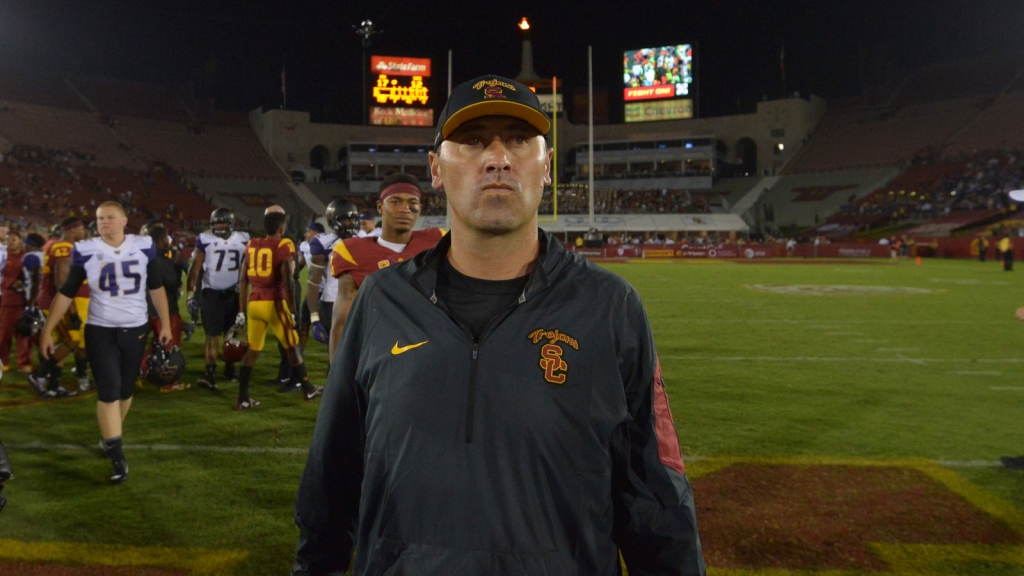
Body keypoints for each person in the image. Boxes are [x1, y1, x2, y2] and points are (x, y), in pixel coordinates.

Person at [294, 75, 704, 575]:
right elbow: (329, 486)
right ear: (436, 169)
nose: (497, 158)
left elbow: (656, 502)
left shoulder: (610, 308)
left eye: (517, 140)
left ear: (546, 166)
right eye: (471, 141)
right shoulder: (382, 301)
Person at [39, 201, 173, 484]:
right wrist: (48, 329)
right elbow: (66, 292)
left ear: (125, 220)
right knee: (109, 390)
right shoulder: (86, 250)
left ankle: (112, 436)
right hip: (100, 329)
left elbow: (156, 286)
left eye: (111, 217)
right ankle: (116, 455)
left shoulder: (143, 245)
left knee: (125, 390)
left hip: (135, 328)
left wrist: (166, 323)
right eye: (100, 218)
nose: (104, 222)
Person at [325, 173, 445, 359]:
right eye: (395, 201)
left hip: (432, 351)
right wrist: (338, 377)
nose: (405, 209)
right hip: (379, 353)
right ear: (380, 207)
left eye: (412, 203)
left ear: (419, 209)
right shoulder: (353, 252)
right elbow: (342, 322)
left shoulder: (437, 241)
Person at [234, 211, 323, 410]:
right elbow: (288, 282)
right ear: (281, 229)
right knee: (292, 346)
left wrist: (241, 311)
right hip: (275, 303)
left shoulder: (251, 244)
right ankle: (308, 389)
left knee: (253, 350)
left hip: (254, 304)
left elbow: (242, 280)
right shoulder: (284, 245)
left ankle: (243, 398)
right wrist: (292, 310)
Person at [187, 208, 249, 391]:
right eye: (217, 223)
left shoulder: (244, 238)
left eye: (223, 222)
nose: (220, 226)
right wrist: (192, 295)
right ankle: (210, 373)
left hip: (235, 293)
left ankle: (230, 369)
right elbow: (195, 269)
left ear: (230, 223)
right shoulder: (207, 239)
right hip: (212, 293)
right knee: (212, 336)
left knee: (232, 335)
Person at [31, 217, 91, 396]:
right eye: (81, 228)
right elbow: (63, 283)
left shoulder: (54, 245)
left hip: (51, 300)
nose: (84, 232)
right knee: (73, 340)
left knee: (61, 343)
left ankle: (53, 386)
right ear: (72, 230)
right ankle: (39, 375)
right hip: (60, 302)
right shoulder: (65, 247)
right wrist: (72, 311)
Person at [305, 201, 359, 369]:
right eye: (345, 220)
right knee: (337, 358)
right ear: (334, 221)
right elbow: (313, 282)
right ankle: (335, 393)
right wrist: (314, 317)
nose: (350, 224)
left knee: (360, 354)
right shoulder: (323, 242)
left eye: (352, 220)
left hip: (361, 300)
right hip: (333, 303)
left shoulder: (366, 240)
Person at [144, 224, 186, 392]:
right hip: (165, 310)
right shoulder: (162, 260)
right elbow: (172, 284)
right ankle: (167, 382)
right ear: (161, 239)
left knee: (154, 344)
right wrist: (176, 267)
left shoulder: (144, 256)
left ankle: (141, 371)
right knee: (169, 345)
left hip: (146, 309)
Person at [0, 228, 41, 374]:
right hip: (8, 299)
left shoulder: (27, 257)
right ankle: (2, 362)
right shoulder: (4, 256)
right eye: (7, 240)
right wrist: (11, 282)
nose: (10, 243)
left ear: (20, 241)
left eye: (14, 240)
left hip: (25, 300)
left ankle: (24, 363)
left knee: (24, 332)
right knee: (4, 333)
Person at [296, 222, 324, 350]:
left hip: (327, 290)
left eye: (309, 231)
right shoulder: (304, 246)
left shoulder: (326, 244)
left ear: (317, 233)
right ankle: (300, 349)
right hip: (313, 289)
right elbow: (301, 262)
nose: (305, 234)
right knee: (304, 320)